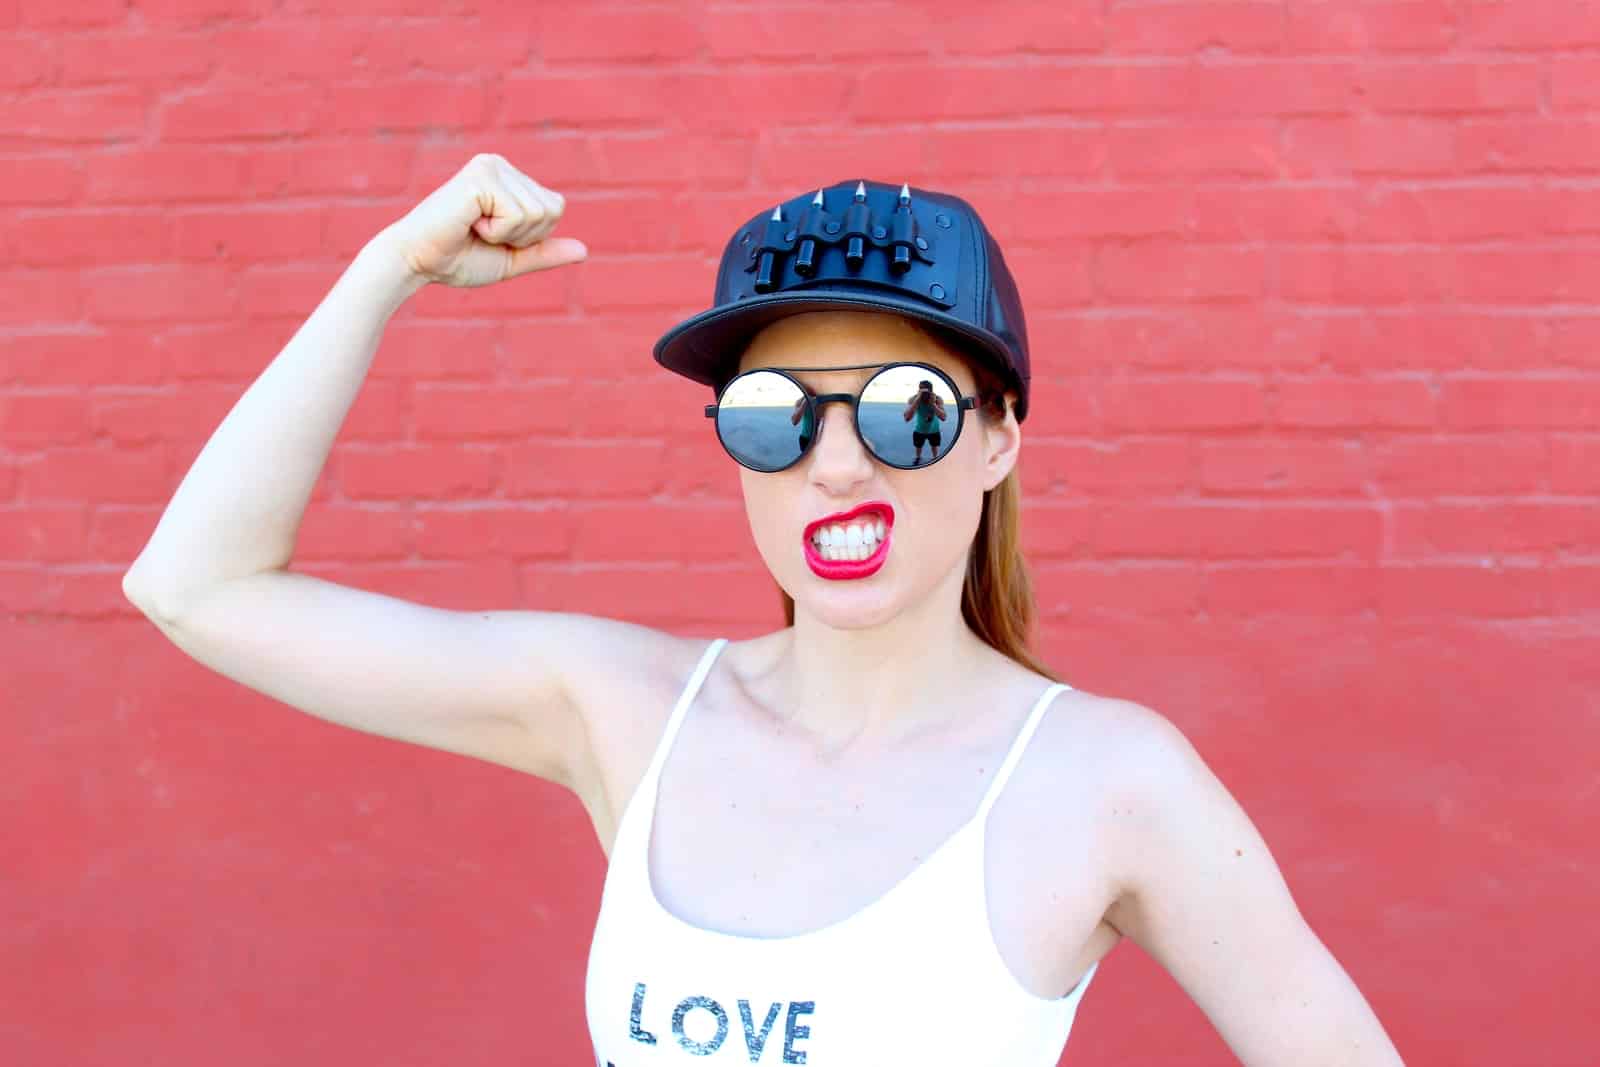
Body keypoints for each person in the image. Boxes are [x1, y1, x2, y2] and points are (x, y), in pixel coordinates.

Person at [122, 157, 1405, 1065]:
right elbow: (197, 587)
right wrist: (382, 272)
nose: (834, 464)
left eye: (906, 410)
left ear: (1000, 436)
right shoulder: (622, 712)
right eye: (774, 414)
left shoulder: (1108, 780)